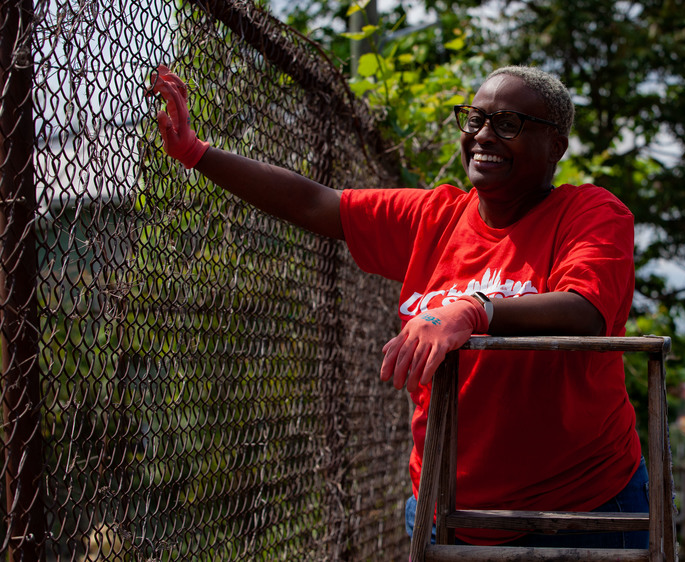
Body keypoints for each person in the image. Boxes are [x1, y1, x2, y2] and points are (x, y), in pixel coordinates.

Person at [149, 63, 648, 548]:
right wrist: (196, 153)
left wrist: (475, 309)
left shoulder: (589, 212)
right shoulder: (435, 216)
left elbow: (586, 310)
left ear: (556, 144)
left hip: (583, 510)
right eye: (475, 119)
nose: (484, 135)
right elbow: (314, 204)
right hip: (446, 512)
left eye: (509, 123)